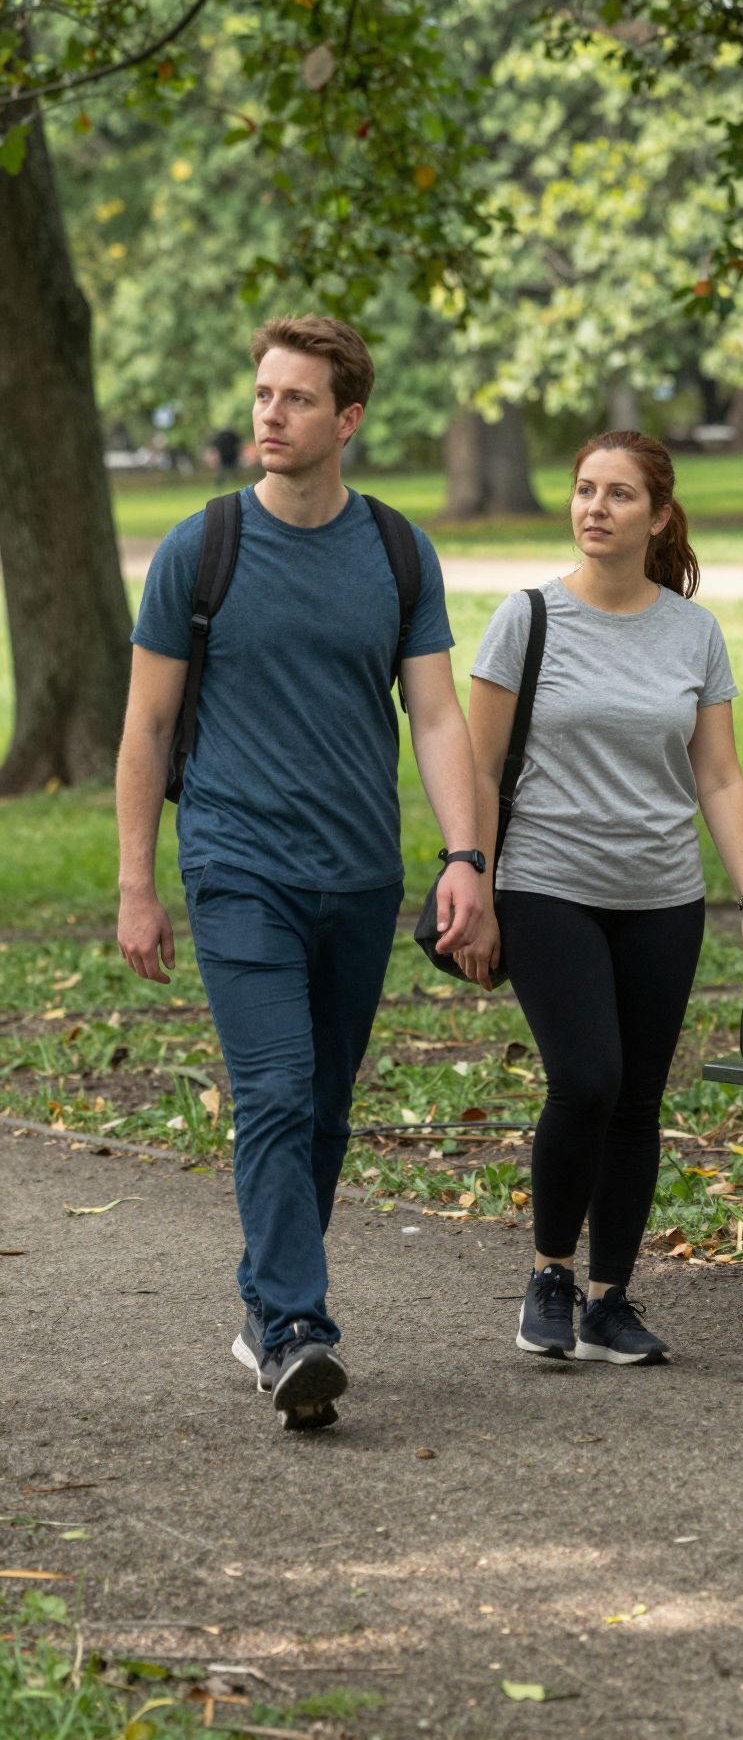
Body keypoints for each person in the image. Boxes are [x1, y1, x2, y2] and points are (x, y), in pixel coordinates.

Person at [117, 315, 487, 1431]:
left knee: (322, 1110)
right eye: (264, 393)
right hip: (237, 865)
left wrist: (463, 855)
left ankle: (265, 1297)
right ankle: (296, 1328)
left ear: (349, 419)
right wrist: (139, 883)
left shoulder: (396, 551)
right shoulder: (202, 545)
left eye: (296, 398)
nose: (270, 414)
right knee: (274, 1091)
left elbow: (433, 713)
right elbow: (145, 725)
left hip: (361, 875)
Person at [455, 431, 743, 1368]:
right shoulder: (527, 618)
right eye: (585, 489)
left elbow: (718, 776)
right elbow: (474, 761)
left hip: (663, 893)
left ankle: (609, 1299)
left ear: (658, 517)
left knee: (636, 1101)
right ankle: (550, 1275)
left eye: (619, 494)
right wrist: (470, 871)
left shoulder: (693, 631)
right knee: (587, 1078)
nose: (595, 507)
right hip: (548, 881)